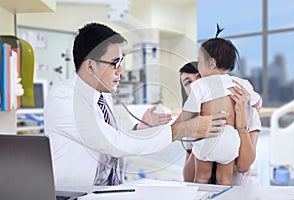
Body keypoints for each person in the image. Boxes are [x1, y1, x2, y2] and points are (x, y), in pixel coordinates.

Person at [44, 22, 228, 187]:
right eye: (115, 63)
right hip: (73, 195)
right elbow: (110, 143)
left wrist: (140, 128)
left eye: (121, 62)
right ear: (90, 66)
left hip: (106, 192)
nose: (121, 70)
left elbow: (107, 137)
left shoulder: (102, 95)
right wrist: (183, 129)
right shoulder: (64, 98)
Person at [175, 28, 262, 185]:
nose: (197, 78)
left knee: (200, 178)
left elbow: (243, 167)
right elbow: (256, 101)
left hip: (208, 138)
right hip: (230, 137)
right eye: (187, 82)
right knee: (225, 180)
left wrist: (176, 126)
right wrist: (255, 104)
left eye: (199, 63)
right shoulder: (241, 85)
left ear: (211, 63)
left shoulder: (201, 86)